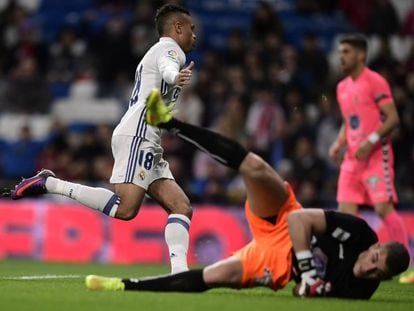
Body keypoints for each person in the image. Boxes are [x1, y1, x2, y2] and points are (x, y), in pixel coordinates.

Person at [84, 89, 410, 299]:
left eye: (377, 272)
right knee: (254, 167)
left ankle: (125, 285)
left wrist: (304, 285)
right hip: (283, 217)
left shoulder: (361, 290)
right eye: (374, 259)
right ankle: (170, 124)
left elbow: (303, 294)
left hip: (275, 261)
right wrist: (310, 274)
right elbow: (298, 219)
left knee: (214, 277)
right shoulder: (359, 235)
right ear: (375, 246)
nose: (368, 268)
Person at [9, 4, 197, 275]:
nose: (194, 35)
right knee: (125, 209)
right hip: (138, 135)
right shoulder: (170, 50)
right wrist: (174, 75)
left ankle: (180, 275)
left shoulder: (155, 52)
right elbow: (169, 66)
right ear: (177, 27)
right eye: (191, 29)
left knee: (181, 207)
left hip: (147, 139)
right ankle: (50, 183)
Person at [328, 34, 409, 249]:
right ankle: (351, 262)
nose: (341, 57)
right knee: (345, 213)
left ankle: (405, 262)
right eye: (339, 53)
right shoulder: (342, 87)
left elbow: (393, 118)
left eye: (346, 52)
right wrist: (338, 142)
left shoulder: (375, 81)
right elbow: (349, 121)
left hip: (375, 155)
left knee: (383, 208)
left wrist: (370, 141)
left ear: (361, 55)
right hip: (352, 158)